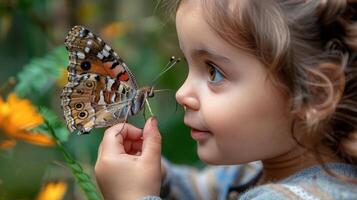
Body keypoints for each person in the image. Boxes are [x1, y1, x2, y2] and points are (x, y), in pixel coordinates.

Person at [95, 0, 357, 199]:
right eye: (189, 66)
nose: (181, 93)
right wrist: (158, 177)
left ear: (314, 93)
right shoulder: (252, 171)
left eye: (213, 71)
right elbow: (200, 191)